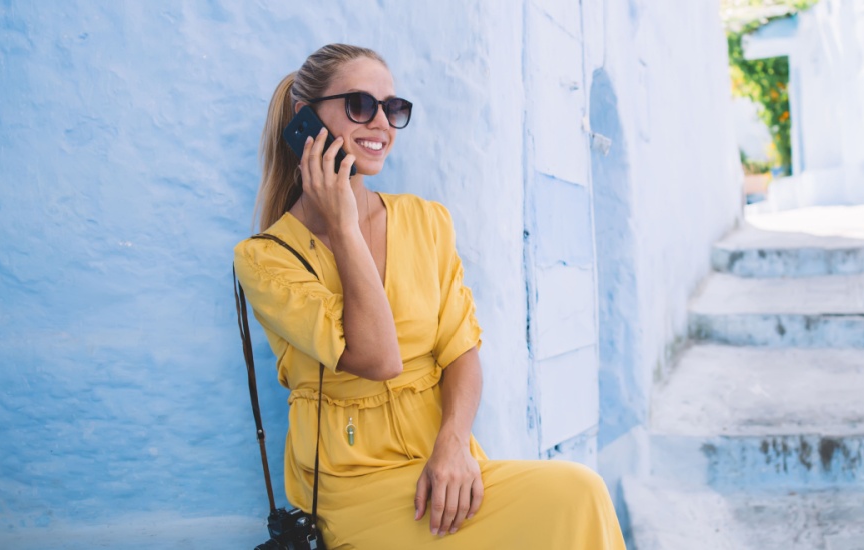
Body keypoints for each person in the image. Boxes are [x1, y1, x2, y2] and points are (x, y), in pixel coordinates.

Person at [233, 43, 625, 549]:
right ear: (305, 120)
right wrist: (345, 226)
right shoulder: (265, 257)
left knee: (578, 492)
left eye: (393, 109)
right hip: (353, 481)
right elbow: (377, 357)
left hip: (444, 457)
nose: (380, 123)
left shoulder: (426, 220)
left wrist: (454, 445)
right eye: (360, 105)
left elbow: (461, 350)